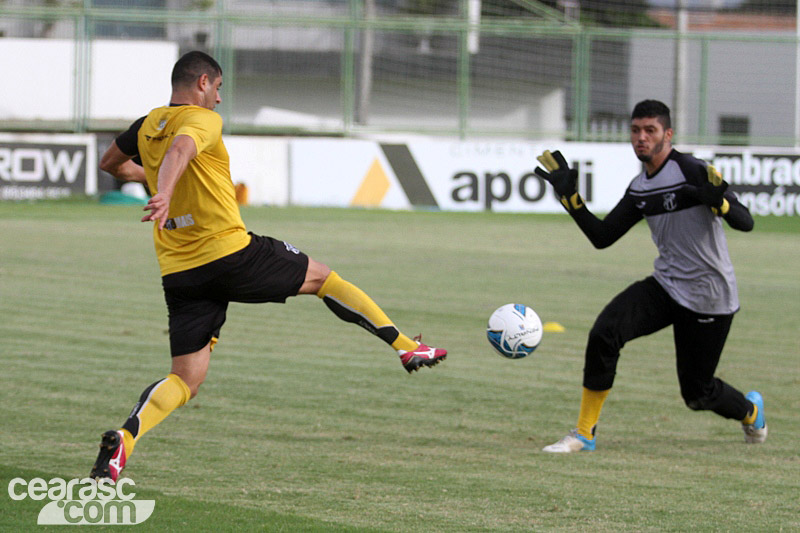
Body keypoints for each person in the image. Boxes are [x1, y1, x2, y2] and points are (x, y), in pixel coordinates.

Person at [91, 51, 447, 480]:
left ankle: (123, 440)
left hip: (180, 272)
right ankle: (407, 346)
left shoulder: (148, 124)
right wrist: (164, 190)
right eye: (219, 88)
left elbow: (108, 163)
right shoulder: (202, 120)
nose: (219, 99)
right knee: (324, 278)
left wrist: (152, 181)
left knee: (185, 379)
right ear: (203, 82)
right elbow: (181, 151)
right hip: (231, 254)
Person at [534, 99, 766, 453]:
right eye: (635, 130)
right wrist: (571, 198)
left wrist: (719, 203)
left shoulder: (692, 170)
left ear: (667, 134)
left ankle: (750, 412)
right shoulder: (640, 187)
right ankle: (584, 433)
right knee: (605, 332)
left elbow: (746, 222)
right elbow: (603, 237)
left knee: (696, 393)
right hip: (667, 285)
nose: (641, 138)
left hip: (710, 294)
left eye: (650, 130)